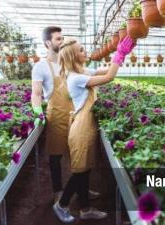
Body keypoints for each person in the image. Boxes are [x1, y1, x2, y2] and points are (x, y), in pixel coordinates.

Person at [52, 36, 135, 223]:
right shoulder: (76, 78)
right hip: (81, 127)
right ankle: (62, 204)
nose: (85, 51)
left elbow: (106, 70)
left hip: (87, 125)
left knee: (86, 168)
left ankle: (85, 208)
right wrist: (118, 53)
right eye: (81, 50)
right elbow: (108, 77)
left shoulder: (83, 71)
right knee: (79, 171)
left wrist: (119, 57)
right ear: (74, 57)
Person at [31, 26, 103, 203]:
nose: (61, 42)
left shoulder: (70, 64)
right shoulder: (41, 66)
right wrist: (38, 112)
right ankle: (58, 192)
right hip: (56, 115)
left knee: (78, 155)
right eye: (58, 39)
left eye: (62, 39)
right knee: (55, 156)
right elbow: (36, 93)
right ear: (48, 43)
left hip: (76, 113)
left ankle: (81, 189)